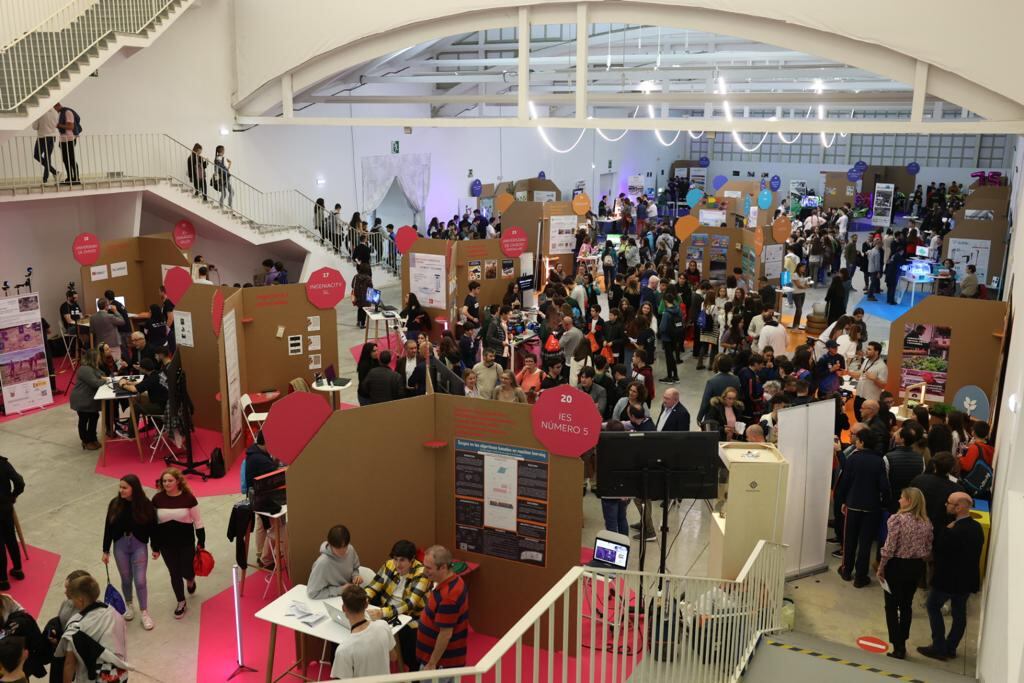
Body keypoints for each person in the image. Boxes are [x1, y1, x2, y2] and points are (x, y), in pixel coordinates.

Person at [916, 491, 984, 662]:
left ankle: (939, 647)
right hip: (966, 581)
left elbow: (940, 553)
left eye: (949, 503)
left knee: (932, 606)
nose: (946, 505)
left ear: (959, 507)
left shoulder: (952, 531)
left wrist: (944, 533)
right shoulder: (977, 528)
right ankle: (951, 647)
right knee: (959, 613)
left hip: (947, 580)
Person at [876, 487, 932, 659]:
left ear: (909, 501)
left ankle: (897, 645)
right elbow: (927, 551)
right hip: (915, 568)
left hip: (896, 566)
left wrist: (881, 566)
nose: (899, 500)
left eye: (902, 498)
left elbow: (890, 547)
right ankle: (903, 639)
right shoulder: (927, 523)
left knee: (891, 606)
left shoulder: (897, 520)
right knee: (906, 605)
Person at [363, 540, 431, 672]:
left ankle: (413, 673)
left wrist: (384, 612)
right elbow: (373, 586)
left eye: (402, 560)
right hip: (387, 610)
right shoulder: (389, 565)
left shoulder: (422, 573)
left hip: (411, 616)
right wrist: (364, 598)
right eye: (395, 559)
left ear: (412, 560)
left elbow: (409, 604)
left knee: (409, 648)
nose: (397, 564)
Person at [835, 426, 890, 587]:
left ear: (862, 442)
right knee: (865, 543)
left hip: (853, 504)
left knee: (849, 540)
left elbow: (844, 481)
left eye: (857, 439)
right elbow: (884, 486)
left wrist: (842, 500)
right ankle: (860, 576)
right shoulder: (879, 460)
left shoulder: (853, 458)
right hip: (872, 507)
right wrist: (884, 503)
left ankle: (846, 570)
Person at [101, 475, 156, 631]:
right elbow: (108, 528)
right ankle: (129, 604)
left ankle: (144, 612)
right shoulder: (115, 504)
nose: (121, 490)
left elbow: (153, 527)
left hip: (139, 545)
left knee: (140, 580)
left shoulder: (145, 504)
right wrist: (105, 550)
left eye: (124, 487)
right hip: (120, 546)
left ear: (134, 488)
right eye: (120, 487)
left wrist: (155, 547)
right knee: (126, 579)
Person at [151, 468, 204, 619]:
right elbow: (153, 525)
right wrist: (155, 547)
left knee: (187, 569)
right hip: (166, 543)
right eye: (164, 481)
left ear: (178, 481)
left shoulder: (189, 498)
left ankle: (190, 579)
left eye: (170, 480)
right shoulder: (157, 499)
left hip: (186, 541)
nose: (166, 483)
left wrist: (202, 541)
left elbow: (198, 521)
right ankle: (181, 602)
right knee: (174, 572)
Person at [61, 575, 129, 683]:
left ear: (80, 600)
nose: (72, 602)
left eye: (72, 599)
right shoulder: (113, 612)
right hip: (118, 673)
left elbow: (70, 663)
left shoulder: (75, 625)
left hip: (91, 678)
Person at [417, 546, 469, 676]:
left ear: (443, 567)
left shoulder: (449, 596)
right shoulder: (452, 581)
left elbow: (445, 634)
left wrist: (432, 663)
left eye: (429, 568)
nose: (424, 571)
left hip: (441, 664)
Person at [329, 585, 394, 679]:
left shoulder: (343, 650)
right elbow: (393, 657)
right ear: (366, 605)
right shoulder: (383, 625)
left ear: (343, 608)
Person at [243, 431, 285, 570]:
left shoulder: (254, 452)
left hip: (255, 497)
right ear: (266, 443)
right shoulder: (260, 460)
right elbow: (278, 475)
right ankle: (267, 558)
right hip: (264, 499)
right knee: (276, 528)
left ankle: (261, 554)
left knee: (262, 524)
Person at [909, 452, 964, 531]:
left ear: (934, 465)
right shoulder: (957, 489)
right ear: (952, 468)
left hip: (915, 525)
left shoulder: (918, 480)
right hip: (940, 530)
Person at [307, 524, 362, 599]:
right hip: (332, 598)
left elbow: (355, 568)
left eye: (345, 547)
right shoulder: (322, 563)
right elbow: (312, 593)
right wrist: (340, 590)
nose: (343, 551)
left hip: (349, 595)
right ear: (330, 544)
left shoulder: (350, 549)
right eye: (338, 548)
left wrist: (356, 576)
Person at [70, 349, 106, 451]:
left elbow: (102, 375)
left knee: (94, 416)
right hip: (82, 399)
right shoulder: (84, 369)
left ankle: (92, 438)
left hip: (89, 399)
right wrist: (105, 380)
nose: (100, 358)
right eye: (98, 356)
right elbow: (95, 383)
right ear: (93, 358)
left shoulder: (93, 368)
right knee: (84, 419)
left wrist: (102, 377)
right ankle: (85, 441)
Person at [697, 355, 741, 425]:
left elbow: (705, 402)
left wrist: (699, 417)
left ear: (718, 365)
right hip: (730, 415)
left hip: (714, 416)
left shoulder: (712, 381)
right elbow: (739, 397)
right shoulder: (736, 379)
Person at [849, 341, 887, 421]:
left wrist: (875, 379)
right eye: (867, 349)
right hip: (859, 396)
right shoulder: (866, 361)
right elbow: (860, 374)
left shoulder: (882, 367)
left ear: (876, 352)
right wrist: (847, 372)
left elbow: (883, 385)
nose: (866, 351)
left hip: (870, 400)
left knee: (866, 422)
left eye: (869, 349)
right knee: (858, 419)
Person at [53, 103, 80, 184]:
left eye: (54, 107)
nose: (54, 110)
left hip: (70, 139)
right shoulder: (61, 113)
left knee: (71, 159)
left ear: (57, 105)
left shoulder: (67, 112)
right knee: (65, 160)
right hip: (63, 139)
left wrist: (59, 125)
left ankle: (76, 178)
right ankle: (70, 178)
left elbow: (70, 127)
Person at [32, 107, 59, 184]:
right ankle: (54, 173)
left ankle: (46, 178)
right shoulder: (55, 112)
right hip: (52, 137)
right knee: (47, 157)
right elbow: (56, 124)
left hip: (42, 137)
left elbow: (34, 127)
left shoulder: (40, 113)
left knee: (37, 155)